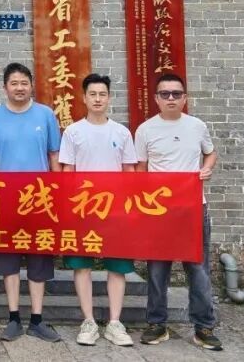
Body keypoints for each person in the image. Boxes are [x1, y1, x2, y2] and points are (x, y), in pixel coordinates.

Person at [135, 73, 222, 351]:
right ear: (156, 99)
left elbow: (210, 153)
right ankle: (156, 324)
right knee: (157, 269)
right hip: (159, 211)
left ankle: (204, 326)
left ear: (184, 98)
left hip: (193, 208)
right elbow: (140, 168)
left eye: (176, 93)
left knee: (198, 268)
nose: (170, 98)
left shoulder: (197, 126)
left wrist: (207, 168)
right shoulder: (145, 130)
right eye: (165, 94)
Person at [0, 62, 62, 343]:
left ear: (31, 86)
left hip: (40, 200)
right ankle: (13, 317)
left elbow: (54, 156)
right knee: (9, 260)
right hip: (6, 201)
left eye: (24, 83)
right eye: (13, 83)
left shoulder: (46, 115)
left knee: (39, 259)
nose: (19, 88)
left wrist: (58, 192)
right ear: (5, 87)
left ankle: (37, 320)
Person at [58, 73, 137, 347]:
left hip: (115, 210)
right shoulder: (73, 132)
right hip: (83, 209)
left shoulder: (122, 132)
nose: (98, 99)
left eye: (102, 94)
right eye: (92, 94)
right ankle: (88, 321)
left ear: (109, 97)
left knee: (118, 267)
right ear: (84, 97)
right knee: (82, 266)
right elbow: (68, 172)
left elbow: (129, 172)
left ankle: (115, 322)